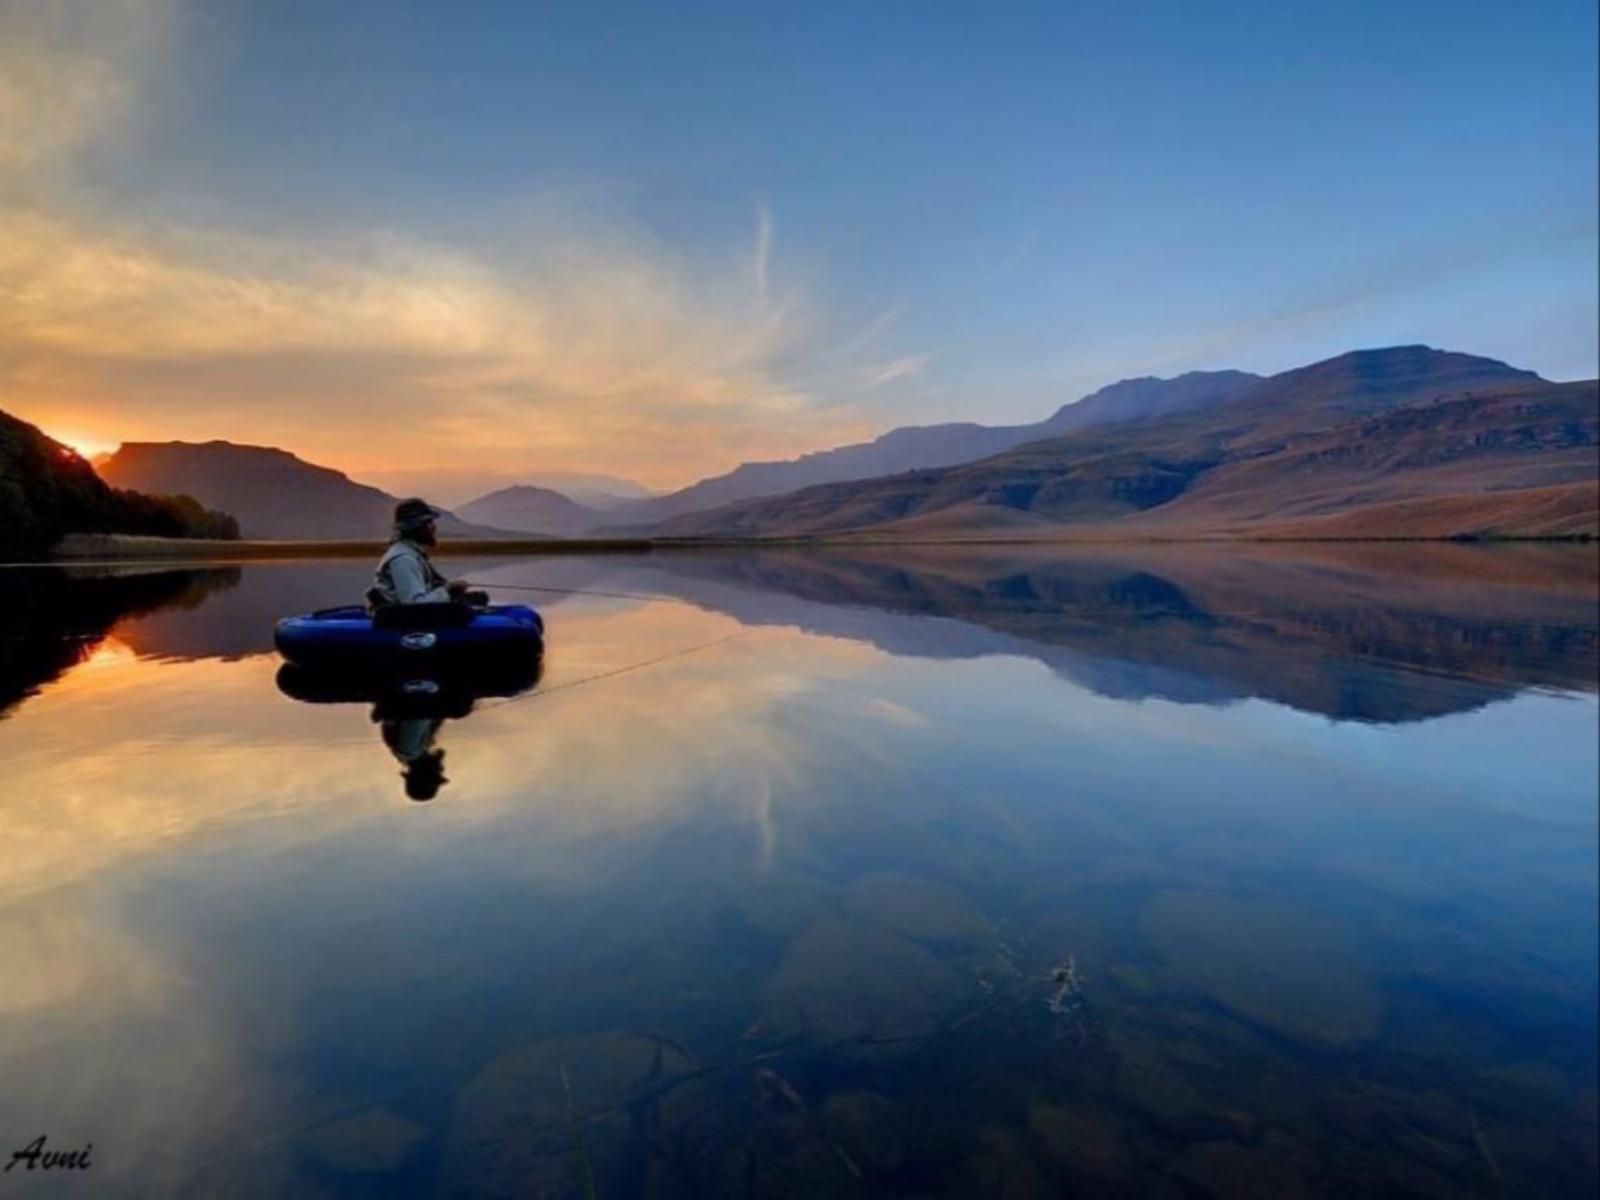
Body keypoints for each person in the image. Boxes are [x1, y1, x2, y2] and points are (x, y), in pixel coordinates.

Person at [370, 497, 472, 607]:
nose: (433, 527)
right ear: (416, 527)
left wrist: (449, 589)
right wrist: (448, 592)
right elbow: (414, 605)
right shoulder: (404, 560)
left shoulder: (410, 553)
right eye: (429, 522)